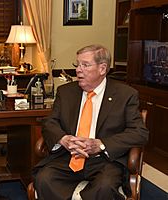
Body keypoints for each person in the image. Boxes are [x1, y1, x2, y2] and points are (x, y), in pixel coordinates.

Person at [33, 44, 149, 200]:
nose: (78, 70)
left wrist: (101, 145)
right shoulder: (66, 92)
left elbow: (139, 133)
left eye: (85, 65)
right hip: (69, 157)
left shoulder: (125, 95)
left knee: (104, 187)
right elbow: (50, 122)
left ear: (102, 69)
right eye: (77, 64)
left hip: (105, 161)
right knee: (44, 179)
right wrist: (63, 139)